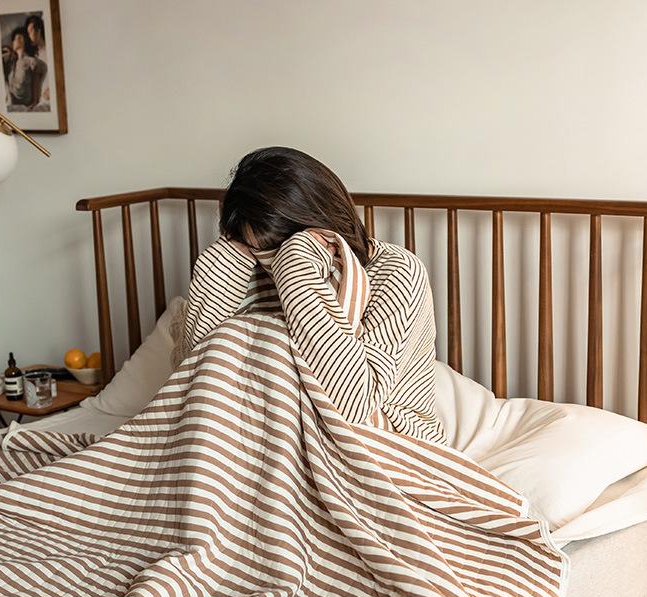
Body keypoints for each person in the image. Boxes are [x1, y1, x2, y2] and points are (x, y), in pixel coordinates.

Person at [176, 146, 446, 444]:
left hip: (384, 436)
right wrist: (219, 266)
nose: (271, 261)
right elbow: (195, 387)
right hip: (268, 434)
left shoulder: (398, 271)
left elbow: (353, 405)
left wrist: (297, 272)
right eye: (260, 249)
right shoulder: (245, 269)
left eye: (286, 248)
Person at [2, 25, 47, 111]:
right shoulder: (11, 64)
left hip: (26, 106)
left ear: (22, 40)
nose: (14, 42)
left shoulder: (31, 61)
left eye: (17, 38)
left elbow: (35, 86)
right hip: (11, 105)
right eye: (14, 39)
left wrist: (34, 102)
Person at [25, 14, 50, 110]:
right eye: (28, 33)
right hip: (41, 99)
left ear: (38, 31)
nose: (29, 36)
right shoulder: (35, 56)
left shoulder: (49, 50)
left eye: (30, 31)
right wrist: (35, 101)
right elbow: (36, 80)